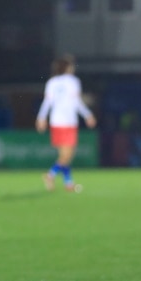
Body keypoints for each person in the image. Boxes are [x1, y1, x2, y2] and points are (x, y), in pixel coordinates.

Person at [35, 54, 96, 192]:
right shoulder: (73, 81)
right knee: (67, 155)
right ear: (67, 67)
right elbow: (77, 102)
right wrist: (88, 115)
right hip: (68, 122)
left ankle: (68, 183)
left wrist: (41, 118)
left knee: (64, 155)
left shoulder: (52, 82)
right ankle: (50, 175)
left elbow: (47, 102)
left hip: (56, 121)